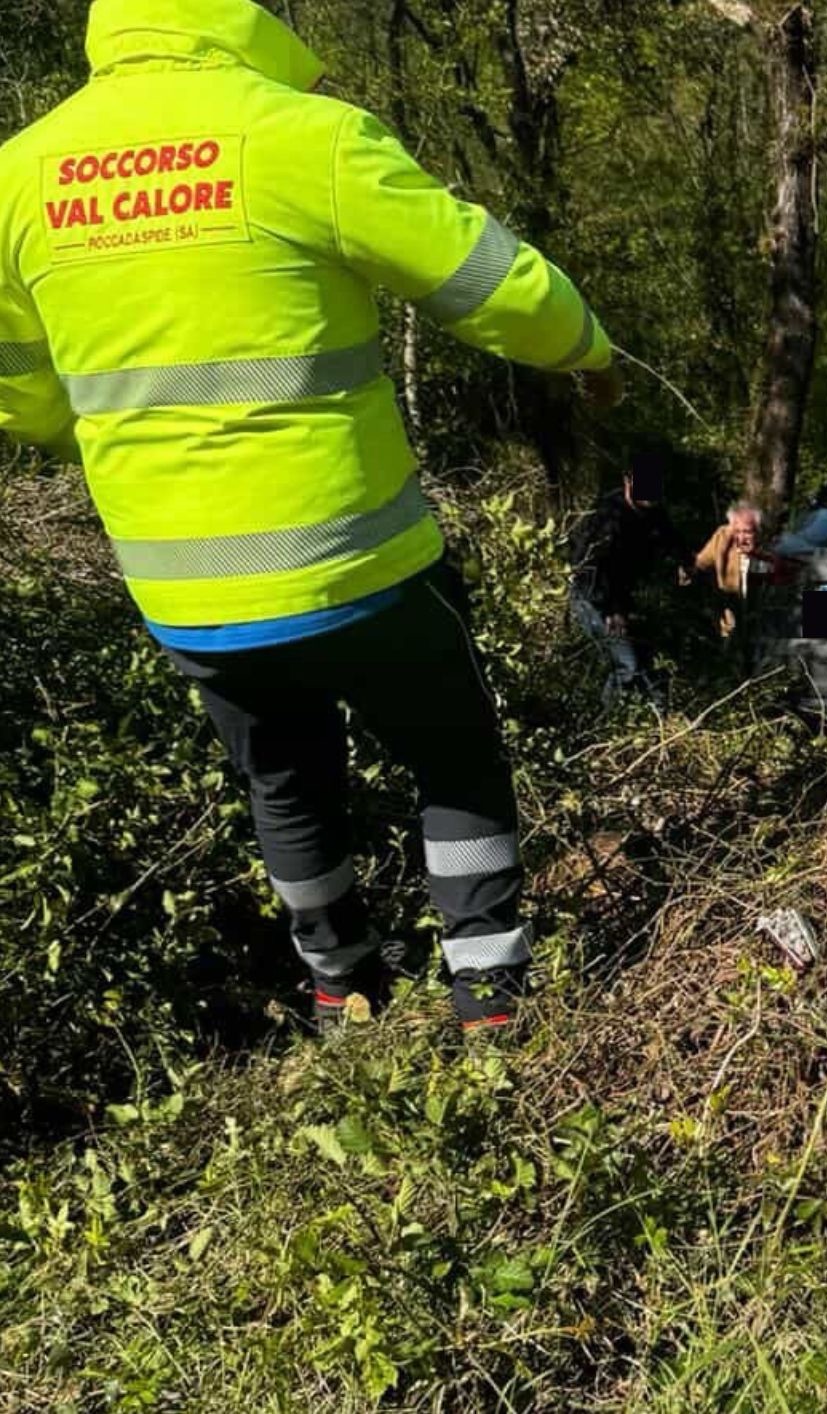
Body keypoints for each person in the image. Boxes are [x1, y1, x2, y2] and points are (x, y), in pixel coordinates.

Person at [0, 0, 625, 1035]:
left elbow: (21, 392)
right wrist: (584, 350)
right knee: (451, 750)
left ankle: (343, 990)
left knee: (282, 777)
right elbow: (493, 287)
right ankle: (491, 999)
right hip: (356, 560)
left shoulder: (21, 172)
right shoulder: (303, 136)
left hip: (184, 590)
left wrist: (123, 437)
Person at [567, 449, 693, 705]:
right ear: (628, 480)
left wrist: (684, 562)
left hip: (622, 598)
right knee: (626, 664)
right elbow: (588, 568)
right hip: (592, 599)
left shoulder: (654, 512)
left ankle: (656, 726)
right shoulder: (607, 517)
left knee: (650, 665)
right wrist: (611, 610)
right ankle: (603, 726)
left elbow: (673, 539)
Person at [694, 501, 766, 641]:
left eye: (747, 532)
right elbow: (700, 563)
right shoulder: (723, 541)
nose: (741, 537)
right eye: (737, 531)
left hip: (760, 624)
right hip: (731, 620)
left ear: (757, 530)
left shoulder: (768, 549)